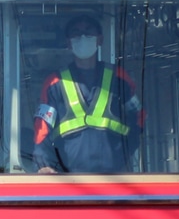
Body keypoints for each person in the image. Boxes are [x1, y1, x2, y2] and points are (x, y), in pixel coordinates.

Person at [33, 14, 142, 174]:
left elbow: (138, 117)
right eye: (76, 33)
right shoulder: (54, 83)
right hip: (69, 179)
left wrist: (124, 155)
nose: (82, 37)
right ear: (68, 43)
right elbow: (42, 128)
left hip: (115, 177)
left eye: (88, 32)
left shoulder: (119, 78)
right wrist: (44, 165)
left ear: (100, 40)